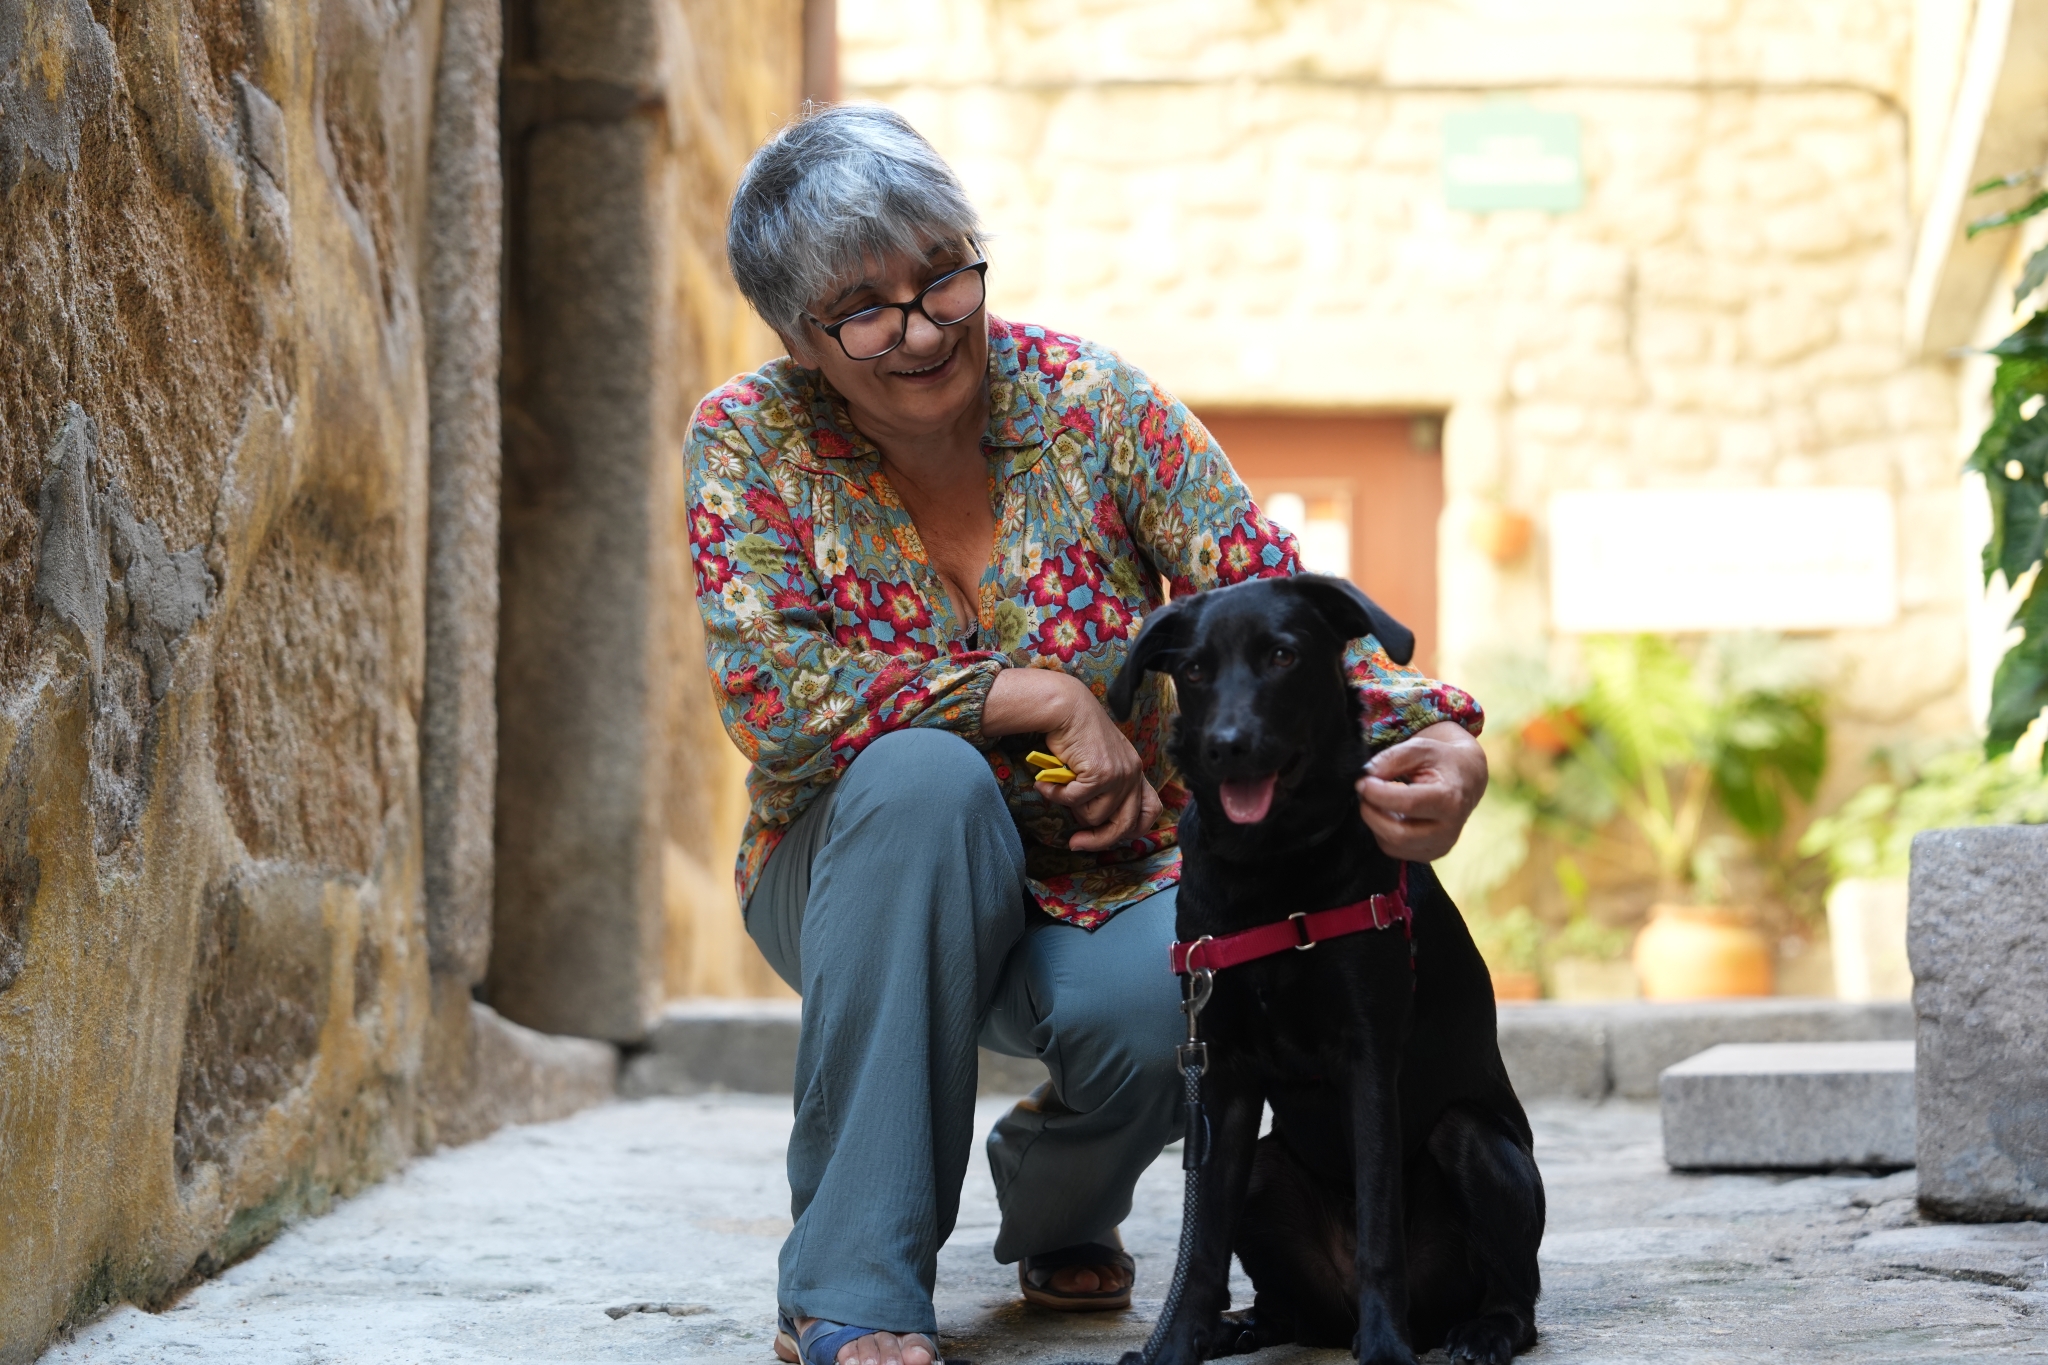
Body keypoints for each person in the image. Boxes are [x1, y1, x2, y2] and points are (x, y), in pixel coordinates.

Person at [686, 104, 1488, 1365]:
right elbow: (774, 703)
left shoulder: (1088, 401)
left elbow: (1267, 602)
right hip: (861, 869)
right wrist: (1044, 694)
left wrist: (1437, 740)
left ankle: (1058, 1203)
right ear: (798, 337)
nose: (925, 326)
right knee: (922, 781)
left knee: (1174, 1001)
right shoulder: (746, 441)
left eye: (944, 273)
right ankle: (849, 1286)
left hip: (1104, 875)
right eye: (867, 306)